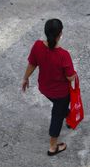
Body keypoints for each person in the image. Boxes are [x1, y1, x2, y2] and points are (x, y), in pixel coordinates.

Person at [22, 18, 77, 156]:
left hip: (45, 89)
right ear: (60, 34)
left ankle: (69, 116)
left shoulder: (37, 46)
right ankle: (53, 147)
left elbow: (32, 63)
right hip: (61, 93)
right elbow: (70, 77)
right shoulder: (64, 55)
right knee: (57, 115)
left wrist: (25, 77)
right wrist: (75, 75)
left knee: (60, 107)